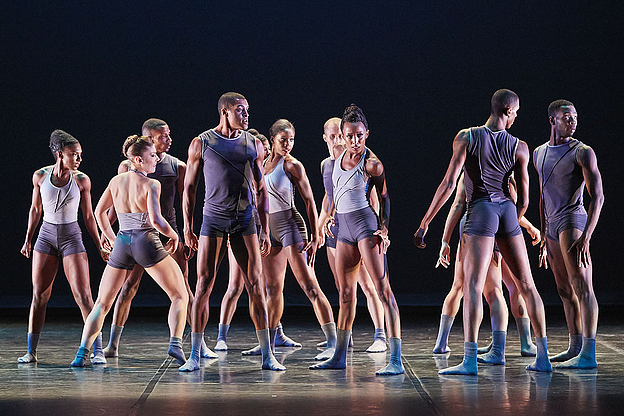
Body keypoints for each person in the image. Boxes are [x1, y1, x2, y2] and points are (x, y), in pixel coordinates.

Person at [414, 89, 552, 375]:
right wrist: (513, 224)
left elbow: (450, 184)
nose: (516, 117)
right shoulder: (521, 146)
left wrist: (426, 222)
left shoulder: (467, 136)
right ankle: (543, 357)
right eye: (515, 112)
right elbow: (524, 199)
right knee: (527, 285)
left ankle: (469, 360)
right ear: (506, 110)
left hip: (481, 211)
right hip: (507, 212)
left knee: (473, 286)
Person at [181, 92, 283, 372]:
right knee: (204, 285)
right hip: (212, 220)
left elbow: (261, 190)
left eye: (247, 109)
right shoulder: (201, 143)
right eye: (240, 110)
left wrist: (263, 228)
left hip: (244, 221)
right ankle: (194, 353)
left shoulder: (252, 143)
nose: (246, 114)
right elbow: (189, 189)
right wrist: (187, 227)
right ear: (225, 111)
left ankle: (267, 355)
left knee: (256, 286)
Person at [70, 135, 189, 367]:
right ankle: (175, 344)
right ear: (138, 159)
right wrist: (174, 235)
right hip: (146, 242)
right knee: (179, 295)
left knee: (102, 303)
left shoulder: (117, 181)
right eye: (152, 156)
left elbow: (99, 213)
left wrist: (114, 238)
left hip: (123, 243)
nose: (156, 159)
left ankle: (81, 353)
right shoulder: (152, 184)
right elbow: (156, 220)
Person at [310, 104, 404, 375]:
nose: (355, 141)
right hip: (343, 231)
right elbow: (335, 194)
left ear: (367, 134)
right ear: (341, 135)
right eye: (350, 136)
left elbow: (384, 198)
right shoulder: (334, 160)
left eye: (360, 135)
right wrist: (328, 218)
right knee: (345, 293)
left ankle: (395, 360)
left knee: (383, 291)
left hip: (365, 227)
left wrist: (384, 228)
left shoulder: (372, 163)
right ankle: (339, 356)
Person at [100, 118, 204, 358]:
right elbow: (114, 207)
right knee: (128, 288)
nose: (168, 140)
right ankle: (113, 344)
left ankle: (198, 344)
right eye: (162, 136)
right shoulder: (127, 168)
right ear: (149, 139)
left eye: (169, 135)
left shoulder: (176, 166)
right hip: (138, 234)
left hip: (168, 233)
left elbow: (186, 201)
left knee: (183, 288)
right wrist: (109, 237)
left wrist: (186, 232)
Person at [240, 119, 337, 360]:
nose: (288, 144)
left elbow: (310, 201)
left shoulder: (293, 165)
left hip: (291, 227)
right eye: (283, 140)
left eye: (291, 140)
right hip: (268, 230)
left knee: (310, 286)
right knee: (272, 288)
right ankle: (269, 342)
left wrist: (315, 236)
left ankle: (334, 342)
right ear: (272, 140)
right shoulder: (261, 164)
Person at [19, 130, 108, 364]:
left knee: (84, 296)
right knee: (39, 295)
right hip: (46, 238)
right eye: (74, 155)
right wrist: (28, 239)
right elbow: (35, 209)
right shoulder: (40, 176)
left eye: (79, 155)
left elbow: (89, 216)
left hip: (71, 238)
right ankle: (31, 351)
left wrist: (99, 244)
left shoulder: (81, 180)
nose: (79, 159)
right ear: (60, 154)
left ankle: (97, 350)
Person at [433, 173, 539, 362]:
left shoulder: (473, 169)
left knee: (472, 288)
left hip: (480, 227)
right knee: (510, 288)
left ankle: (497, 348)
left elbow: (458, 204)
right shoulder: (506, 172)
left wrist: (445, 239)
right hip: (501, 227)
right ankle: (522, 343)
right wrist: (529, 227)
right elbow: (512, 208)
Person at [534, 99, 603, 369]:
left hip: (572, 220)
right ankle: (575, 347)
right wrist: (541, 234)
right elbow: (541, 197)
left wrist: (586, 236)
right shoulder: (539, 152)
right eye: (566, 117)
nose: (572, 121)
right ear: (553, 120)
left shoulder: (582, 152)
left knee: (582, 287)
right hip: (551, 224)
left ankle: (589, 353)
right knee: (564, 289)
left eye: (574, 117)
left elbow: (597, 197)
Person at [215, 131, 300, 351]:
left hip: (263, 232)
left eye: (266, 149)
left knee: (268, 286)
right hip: (242, 230)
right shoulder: (244, 170)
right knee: (235, 285)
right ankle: (221, 337)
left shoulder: (267, 171)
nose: (265, 152)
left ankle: (275, 333)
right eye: (261, 149)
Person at [318, 117, 387, 353]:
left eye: (342, 135)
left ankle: (380, 334)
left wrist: (378, 227)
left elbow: (374, 197)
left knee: (368, 284)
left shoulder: (360, 162)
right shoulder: (328, 165)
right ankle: (344, 337)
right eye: (335, 136)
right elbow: (330, 197)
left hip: (360, 226)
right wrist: (321, 224)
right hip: (337, 228)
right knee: (343, 287)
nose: (340, 140)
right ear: (326, 138)